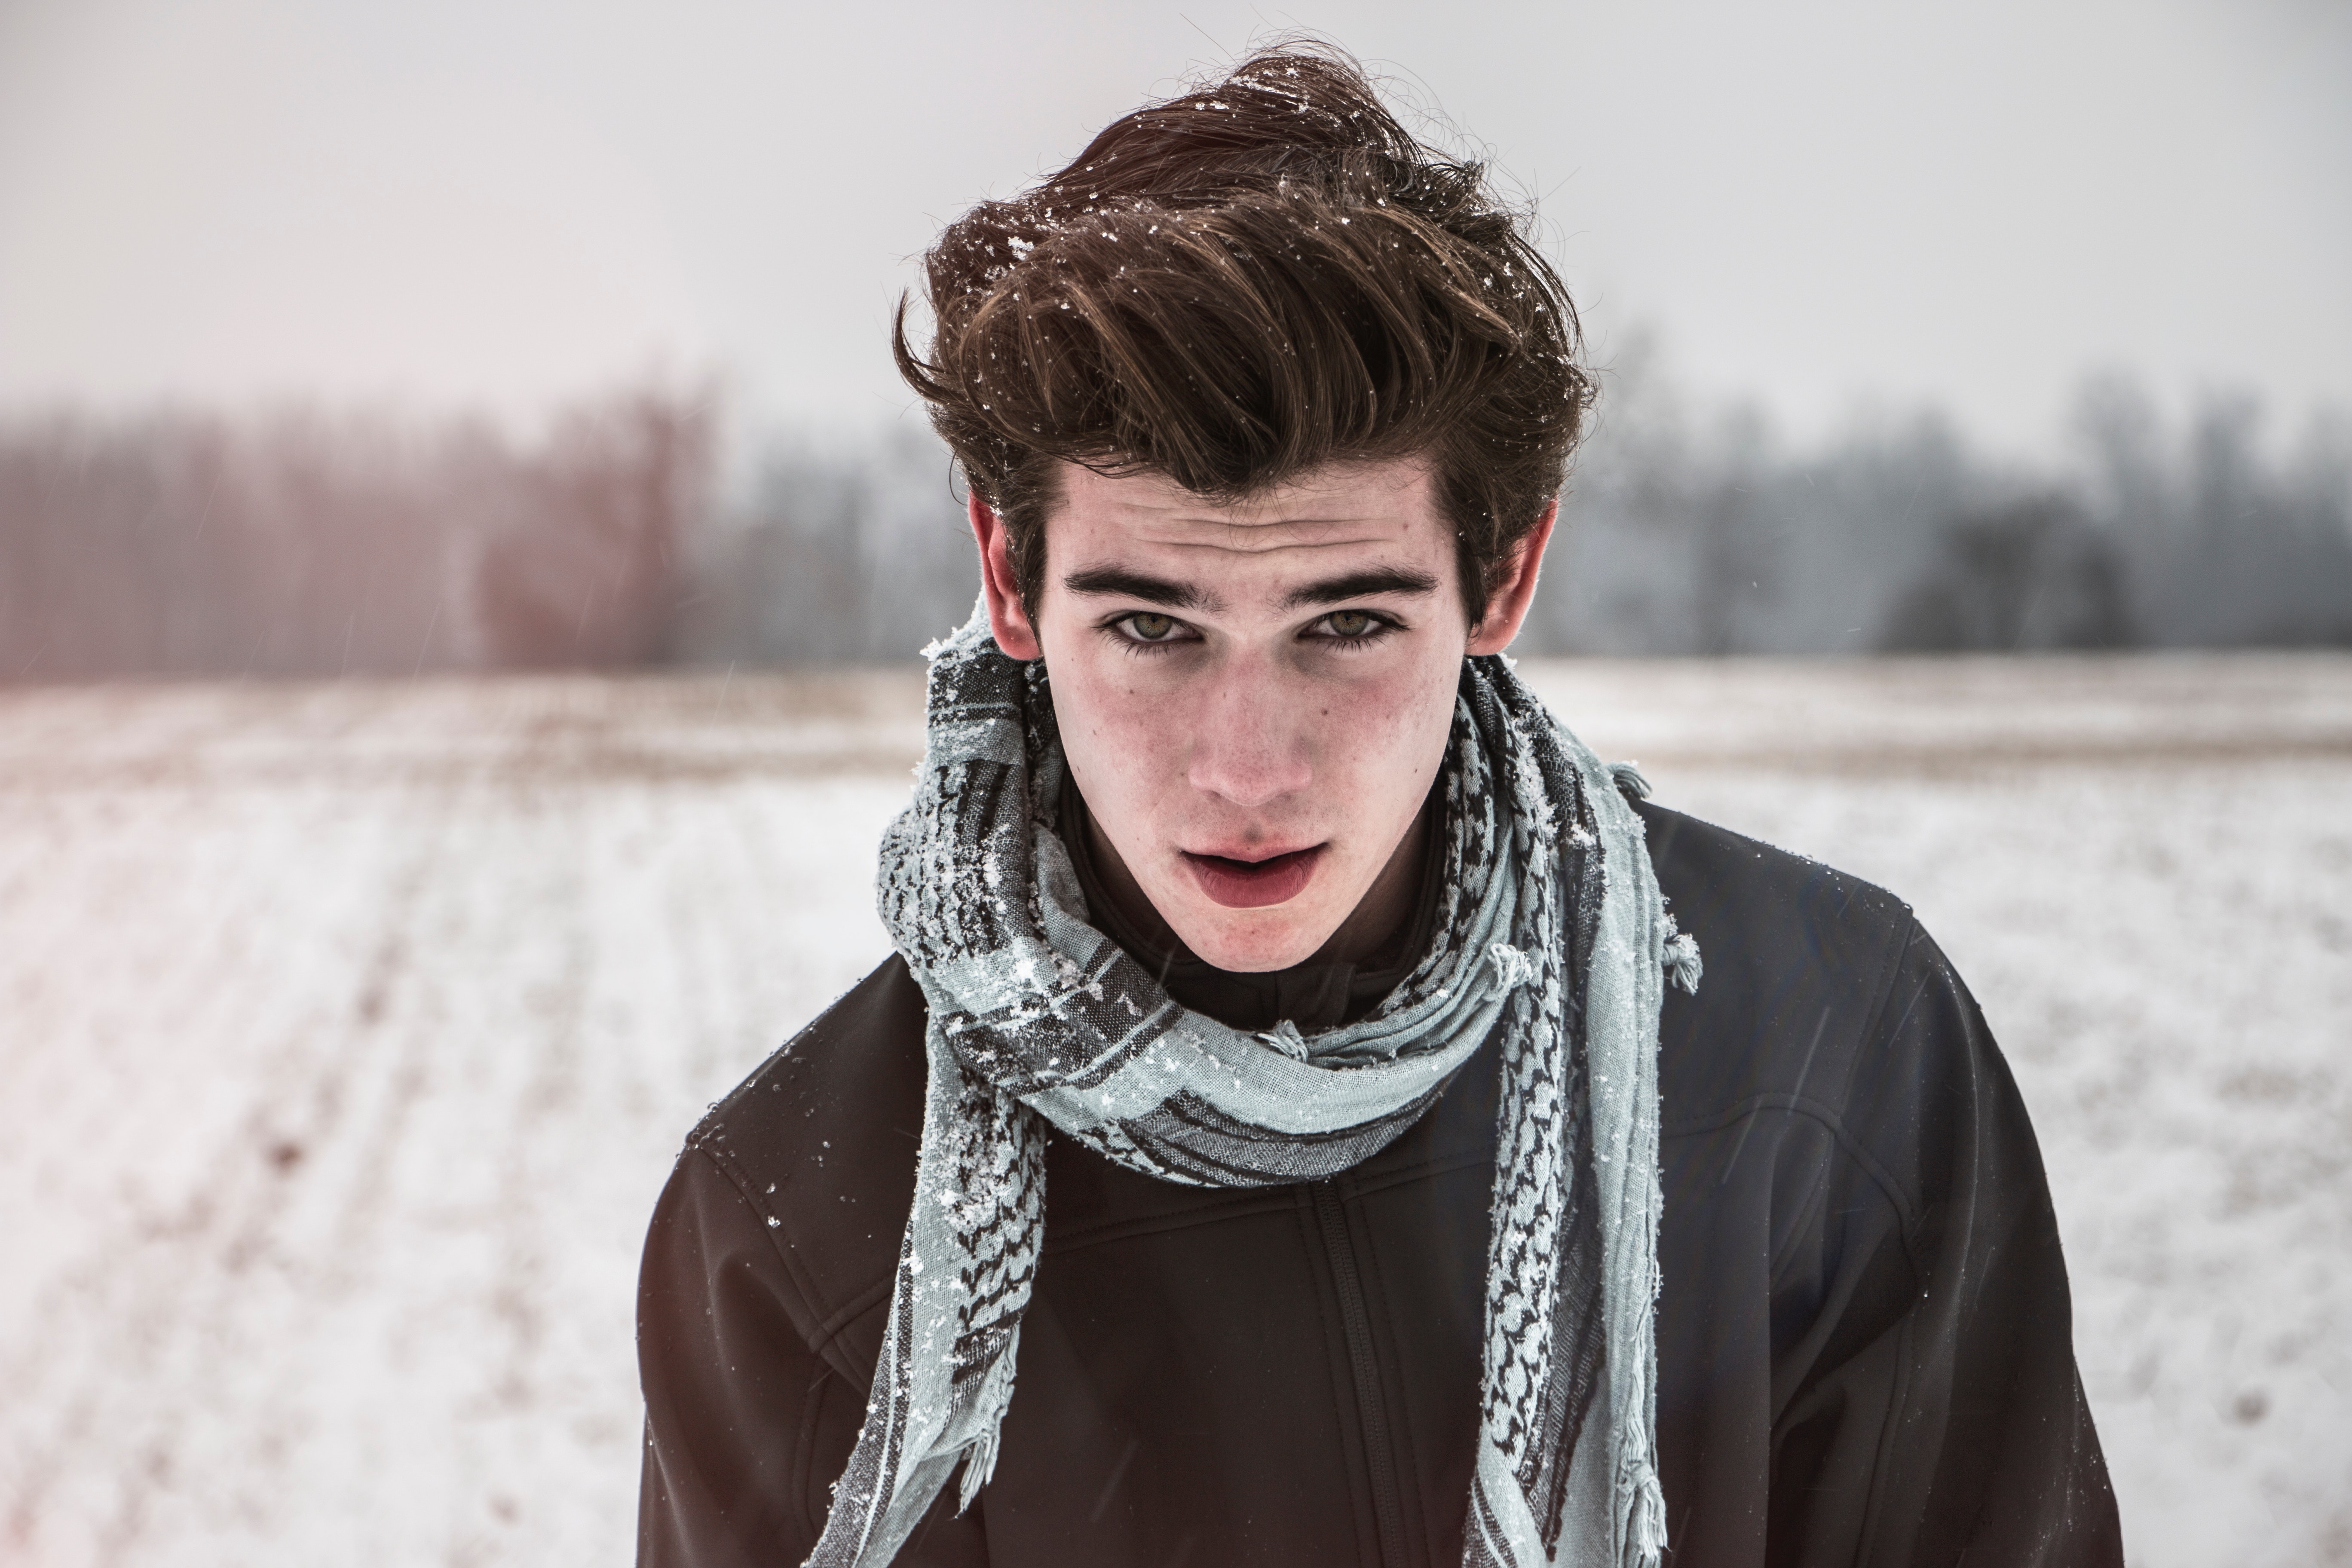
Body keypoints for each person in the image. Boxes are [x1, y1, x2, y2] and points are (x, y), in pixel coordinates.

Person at [635, 44, 2122, 1568]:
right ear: (1011, 577)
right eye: (1153, 628)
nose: (1247, 768)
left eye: (1346, 625)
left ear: (1507, 576)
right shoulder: (800, 1223)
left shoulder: (1829, 1052)